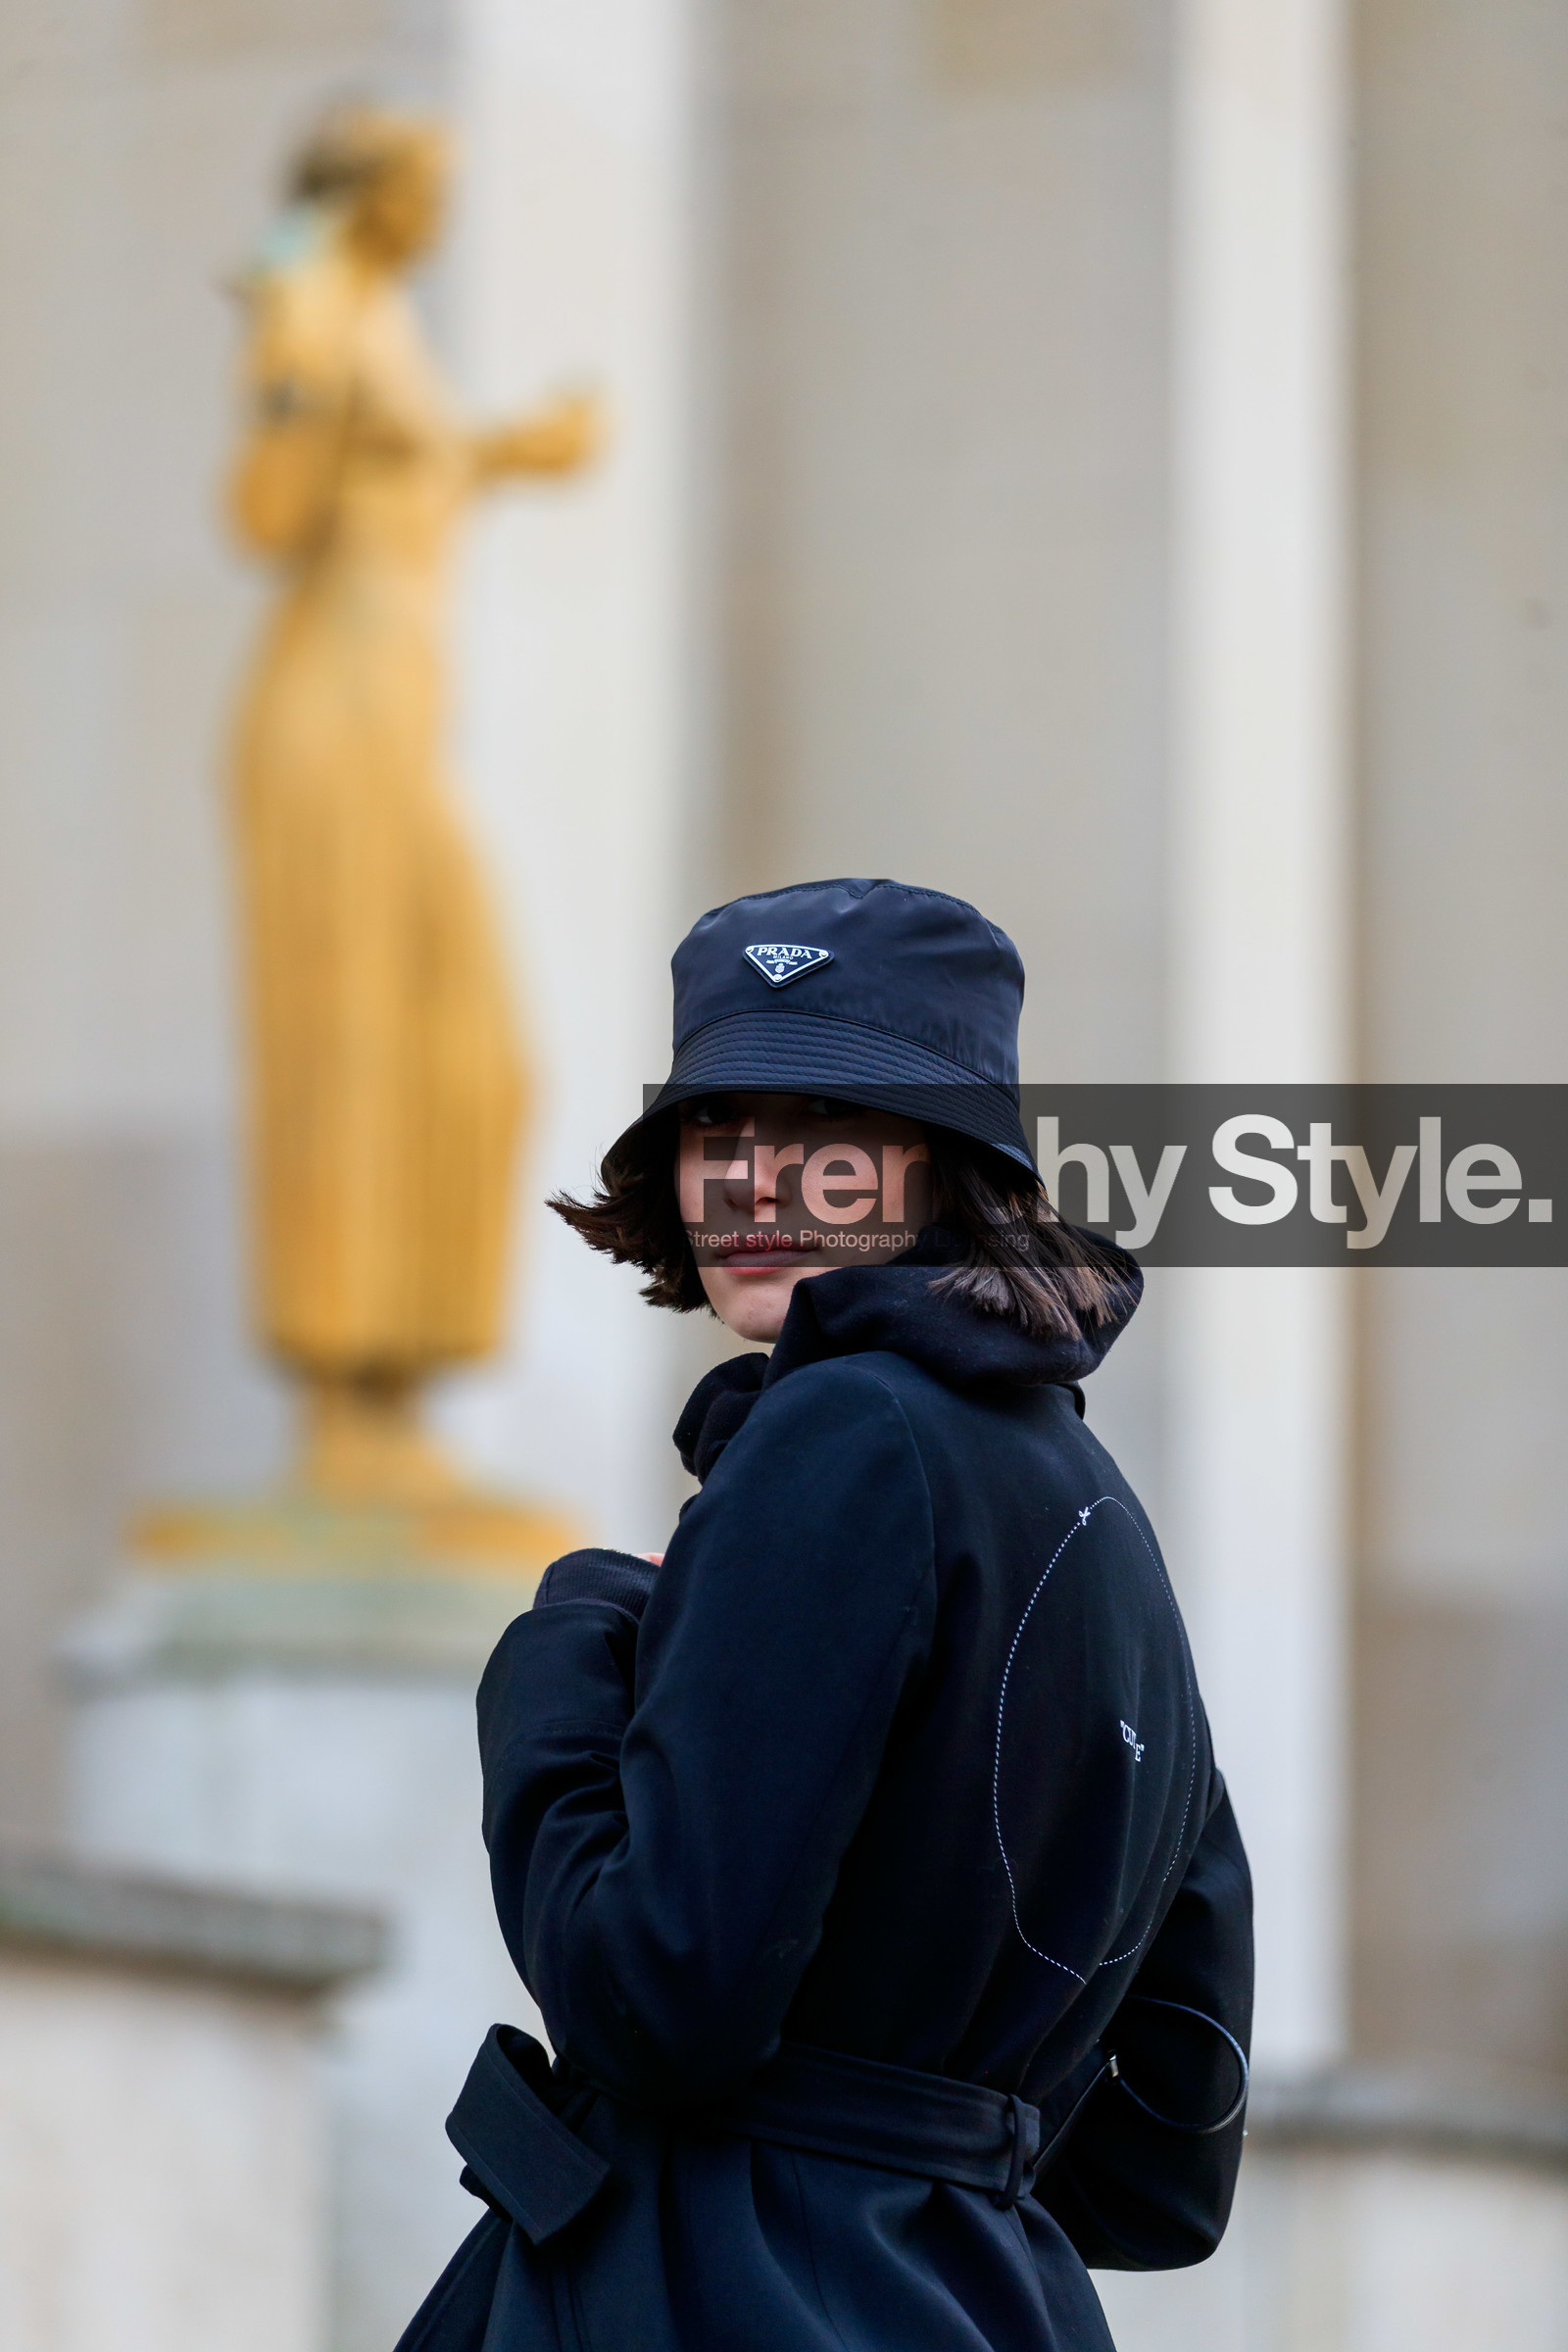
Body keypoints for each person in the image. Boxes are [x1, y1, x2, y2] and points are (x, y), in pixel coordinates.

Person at [397, 878, 1253, 2351]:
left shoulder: (845, 1435)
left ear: (940, 1167)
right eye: (716, 1130)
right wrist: (938, 2150)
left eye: (822, 1129)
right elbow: (1170, 2166)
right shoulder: (1102, 1517)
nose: (751, 1182)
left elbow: (660, 1998)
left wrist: (551, 1664)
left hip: (710, 2296)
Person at [226, 105, 599, 1497]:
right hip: (328, 730)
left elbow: (414, 464)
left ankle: (400, 1388)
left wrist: (514, 452)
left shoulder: (377, 314)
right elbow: (267, 513)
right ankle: (345, 1412)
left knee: (475, 1055)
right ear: (371, 192)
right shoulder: (315, 302)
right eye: (423, 182)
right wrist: (289, 376)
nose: (441, 203)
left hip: (397, 736)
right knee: (349, 1051)